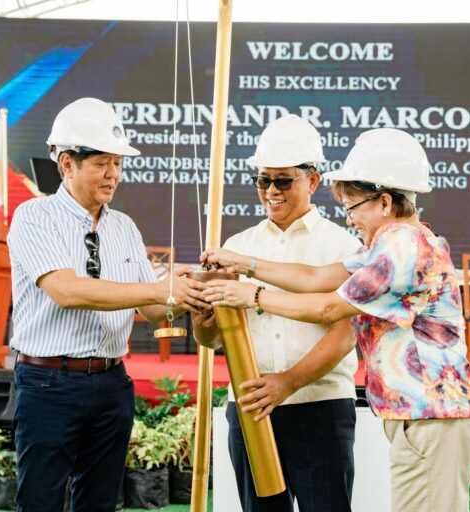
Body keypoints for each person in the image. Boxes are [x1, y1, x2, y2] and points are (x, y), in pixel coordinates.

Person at [201, 128, 470, 512]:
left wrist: (251, 295)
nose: (350, 220)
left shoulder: (401, 248)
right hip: (422, 417)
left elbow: (329, 308)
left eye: (353, 208)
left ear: (384, 202)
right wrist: (242, 262)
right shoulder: (386, 245)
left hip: (430, 413)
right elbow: (315, 277)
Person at [7, 97, 208, 512]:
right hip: (48, 384)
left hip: (113, 381)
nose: (113, 174)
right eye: (101, 162)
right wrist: (158, 290)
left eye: (117, 163)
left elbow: (152, 309)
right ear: (66, 163)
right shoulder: (34, 216)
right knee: (40, 500)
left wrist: (188, 292)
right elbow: (67, 290)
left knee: (100, 502)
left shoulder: (124, 226)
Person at [193, 114, 361, 512]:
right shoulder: (237, 244)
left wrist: (286, 383)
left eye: (283, 180)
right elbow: (213, 339)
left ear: (313, 181)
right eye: (263, 179)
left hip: (320, 407)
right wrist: (204, 321)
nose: (272, 190)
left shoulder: (344, 248)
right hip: (251, 408)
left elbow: (343, 336)